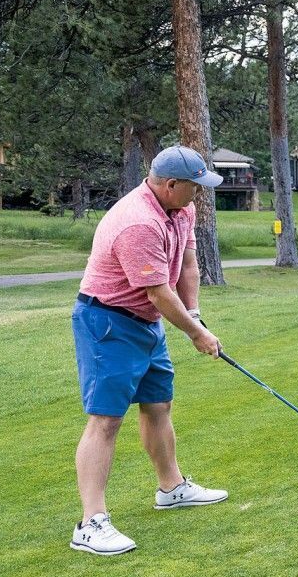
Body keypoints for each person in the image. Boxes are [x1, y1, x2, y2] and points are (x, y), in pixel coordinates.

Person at [69, 145, 229, 555]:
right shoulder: (137, 222)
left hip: (146, 322)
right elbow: (158, 292)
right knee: (105, 420)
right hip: (108, 322)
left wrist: (195, 314)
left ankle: (171, 488)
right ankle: (90, 523)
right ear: (171, 184)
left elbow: (188, 265)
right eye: (196, 186)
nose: (200, 194)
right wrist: (196, 335)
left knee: (158, 404)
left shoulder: (181, 208)